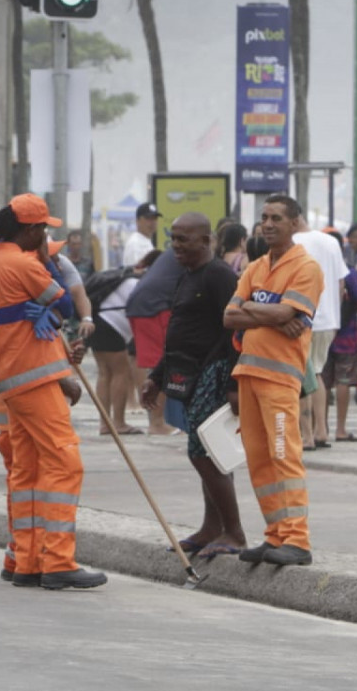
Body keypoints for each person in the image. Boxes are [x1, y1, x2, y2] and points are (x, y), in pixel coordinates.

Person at [0, 193, 105, 590]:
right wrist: (49, 268)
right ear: (31, 229)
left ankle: (28, 560)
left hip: (12, 380)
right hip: (35, 376)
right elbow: (64, 301)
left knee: (27, 470)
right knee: (64, 463)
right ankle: (58, 561)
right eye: (44, 228)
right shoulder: (21, 262)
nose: (46, 234)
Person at [224, 193, 323, 567]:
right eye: (264, 217)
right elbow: (229, 317)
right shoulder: (257, 266)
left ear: (294, 223)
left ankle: (297, 539)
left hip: (280, 379)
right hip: (248, 374)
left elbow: (286, 310)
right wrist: (270, 314)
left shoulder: (306, 267)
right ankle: (275, 534)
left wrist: (255, 308)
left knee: (284, 456)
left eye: (276, 218)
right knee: (259, 460)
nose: (267, 224)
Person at [141, 213, 245, 559]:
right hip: (186, 374)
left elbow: (236, 332)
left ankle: (234, 532)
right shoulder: (186, 276)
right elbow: (179, 333)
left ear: (206, 241)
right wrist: (156, 377)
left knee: (205, 455)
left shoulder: (218, 276)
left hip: (213, 374)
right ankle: (210, 528)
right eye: (174, 239)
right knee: (205, 454)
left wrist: (233, 384)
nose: (177, 247)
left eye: (185, 240)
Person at [293, 215, 348, 450]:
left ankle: (307, 435)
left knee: (303, 376)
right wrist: (334, 315)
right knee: (316, 373)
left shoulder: (291, 241)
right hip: (328, 319)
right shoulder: (330, 242)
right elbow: (340, 284)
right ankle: (321, 430)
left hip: (300, 317)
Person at [90, 251, 159, 435]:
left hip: (97, 322)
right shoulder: (140, 284)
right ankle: (119, 423)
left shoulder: (129, 278)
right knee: (121, 372)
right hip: (111, 326)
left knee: (105, 373)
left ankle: (105, 423)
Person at [322, 229, 357, 442]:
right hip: (347, 337)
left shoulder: (316, 271)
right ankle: (340, 430)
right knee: (343, 381)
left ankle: (321, 428)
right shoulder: (350, 273)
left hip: (323, 334)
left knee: (322, 382)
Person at [126, 248, 187, 435]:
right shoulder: (188, 255)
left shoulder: (173, 254)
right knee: (161, 364)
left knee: (157, 364)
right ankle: (157, 423)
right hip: (154, 307)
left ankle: (158, 420)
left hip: (141, 304)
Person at [123, 202, 162, 267]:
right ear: (137, 221)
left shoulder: (144, 240)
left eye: (155, 218)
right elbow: (136, 273)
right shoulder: (135, 243)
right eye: (148, 218)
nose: (152, 222)